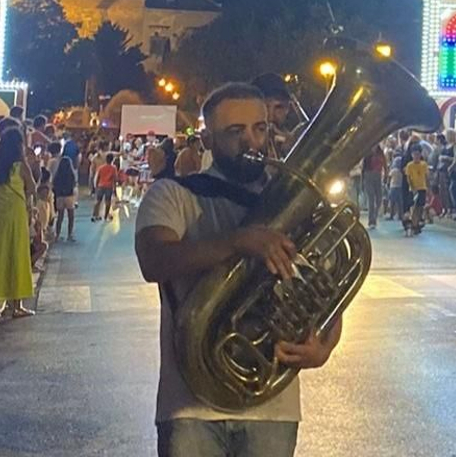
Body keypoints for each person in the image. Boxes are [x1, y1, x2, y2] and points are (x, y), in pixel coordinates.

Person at [135, 82, 340, 457]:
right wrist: (237, 242)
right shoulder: (173, 194)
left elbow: (326, 288)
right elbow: (154, 261)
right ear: (207, 139)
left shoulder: (295, 202)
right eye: (235, 132)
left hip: (272, 404)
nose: (252, 142)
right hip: (190, 404)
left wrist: (323, 346)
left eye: (259, 129)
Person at [0, 128, 36, 317]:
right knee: (17, 255)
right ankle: (17, 305)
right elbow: (32, 186)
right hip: (16, 212)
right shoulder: (21, 166)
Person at [52, 142, 78, 242]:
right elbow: (74, 184)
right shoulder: (71, 175)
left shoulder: (58, 175)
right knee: (71, 216)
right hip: (69, 196)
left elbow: (55, 183)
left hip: (60, 196)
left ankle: (57, 235)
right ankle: (70, 234)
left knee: (60, 216)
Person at [93, 155, 119, 222]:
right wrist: (115, 190)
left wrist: (96, 186)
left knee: (98, 201)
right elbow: (115, 179)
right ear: (112, 160)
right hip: (109, 187)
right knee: (107, 202)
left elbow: (98, 177)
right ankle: (105, 216)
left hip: (100, 186)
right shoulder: (114, 168)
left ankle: (95, 215)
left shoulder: (101, 168)